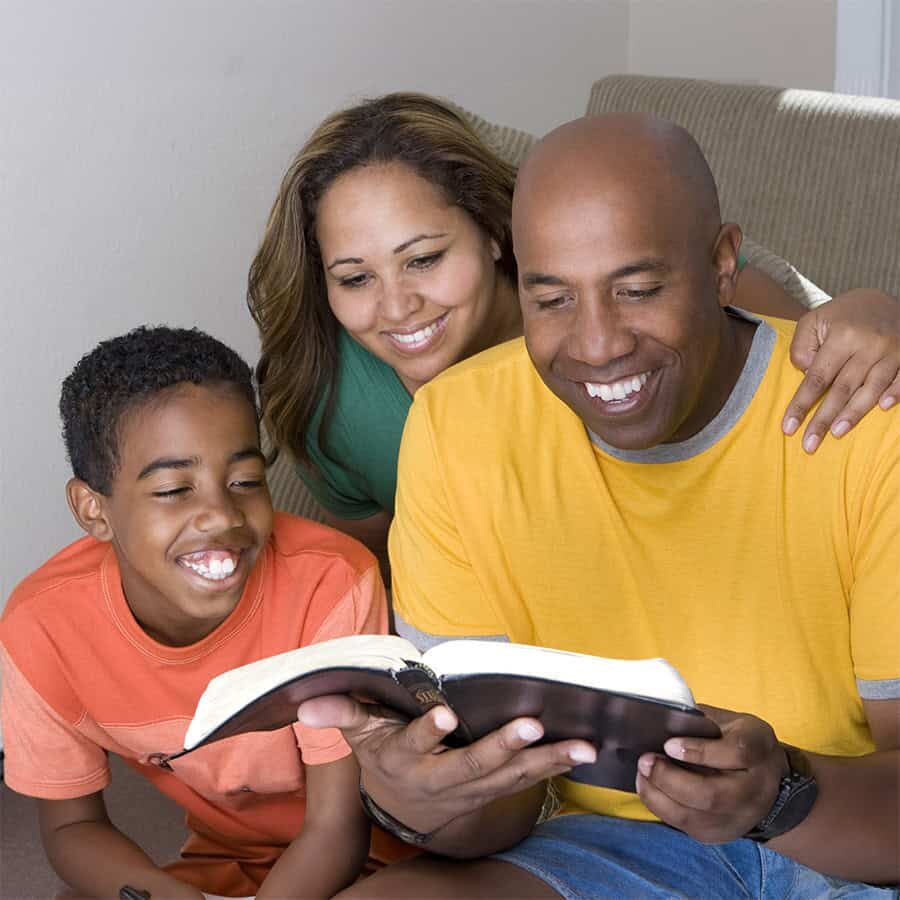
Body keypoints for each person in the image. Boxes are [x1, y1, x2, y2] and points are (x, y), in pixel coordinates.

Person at [297, 115, 899, 898]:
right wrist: (422, 798)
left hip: (841, 841)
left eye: (639, 290)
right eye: (554, 299)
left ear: (723, 264)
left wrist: (783, 790)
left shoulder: (861, 411)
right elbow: (500, 807)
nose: (597, 344)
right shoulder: (452, 426)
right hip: (611, 844)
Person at [247, 92, 900, 575]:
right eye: (355, 279)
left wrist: (877, 313)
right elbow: (362, 577)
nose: (397, 307)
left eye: (424, 259)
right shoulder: (327, 397)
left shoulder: (647, 292)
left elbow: (811, 348)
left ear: (492, 231)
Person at [0, 326, 389, 899]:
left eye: (245, 481)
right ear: (93, 509)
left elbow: (339, 826)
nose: (221, 516)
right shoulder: (42, 628)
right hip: (228, 859)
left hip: (378, 858)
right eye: (174, 490)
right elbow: (72, 827)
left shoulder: (330, 583)